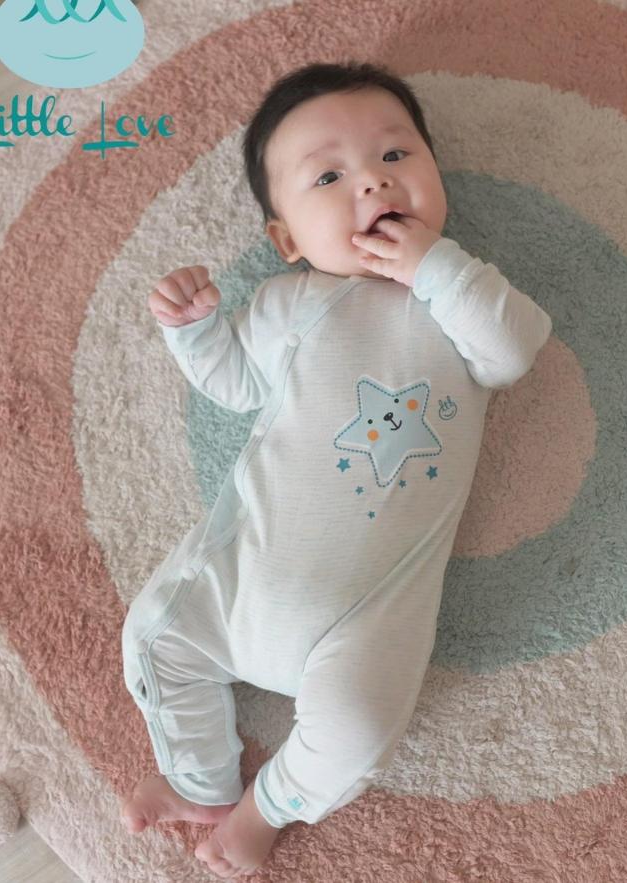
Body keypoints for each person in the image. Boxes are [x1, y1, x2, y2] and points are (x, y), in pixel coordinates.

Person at [120, 60, 553, 878]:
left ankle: (267, 806)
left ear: (435, 177)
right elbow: (235, 384)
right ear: (287, 240)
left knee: (358, 727)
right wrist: (194, 329)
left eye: (395, 156)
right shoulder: (290, 301)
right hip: (242, 571)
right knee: (153, 636)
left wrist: (434, 265)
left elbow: (513, 348)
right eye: (328, 176)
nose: (371, 183)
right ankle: (200, 781)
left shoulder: (457, 295)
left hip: (369, 610)